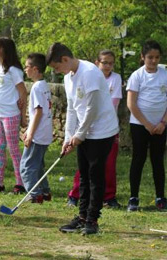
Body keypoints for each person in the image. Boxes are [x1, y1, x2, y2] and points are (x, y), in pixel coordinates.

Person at [47, 42, 119, 235]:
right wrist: (68, 137)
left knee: (96, 175)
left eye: (57, 67)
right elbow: (72, 108)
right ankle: (81, 217)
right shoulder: (69, 77)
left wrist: (80, 135)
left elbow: (92, 109)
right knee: (84, 175)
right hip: (85, 131)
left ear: (65, 59)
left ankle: (92, 220)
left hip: (102, 131)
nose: (57, 71)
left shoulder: (90, 73)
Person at [66, 50, 123, 208]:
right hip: (85, 128)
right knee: (85, 167)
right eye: (104, 62)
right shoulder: (86, 76)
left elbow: (112, 104)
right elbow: (76, 108)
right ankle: (75, 194)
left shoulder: (115, 78)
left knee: (108, 164)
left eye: (111, 63)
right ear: (97, 62)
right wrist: (76, 133)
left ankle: (109, 197)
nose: (108, 66)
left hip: (106, 128)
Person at [126, 40, 167, 212]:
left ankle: (160, 197)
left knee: (158, 160)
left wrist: (163, 122)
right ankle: (134, 197)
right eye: (150, 57)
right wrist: (147, 124)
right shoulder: (137, 76)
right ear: (143, 57)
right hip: (140, 125)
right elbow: (131, 104)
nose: (154, 61)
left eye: (157, 57)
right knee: (138, 159)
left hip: (161, 126)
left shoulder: (165, 74)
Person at [0, 37, 27, 193]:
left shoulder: (14, 70)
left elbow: (23, 91)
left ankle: (21, 182)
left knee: (13, 149)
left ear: (4, 50)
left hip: (10, 115)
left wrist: (22, 115)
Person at [19, 53, 52, 203]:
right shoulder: (44, 85)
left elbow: (38, 111)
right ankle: (44, 192)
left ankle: (34, 194)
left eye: (27, 67)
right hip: (44, 133)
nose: (25, 69)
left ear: (35, 68)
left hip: (38, 135)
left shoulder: (37, 88)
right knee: (38, 166)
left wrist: (30, 134)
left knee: (26, 167)